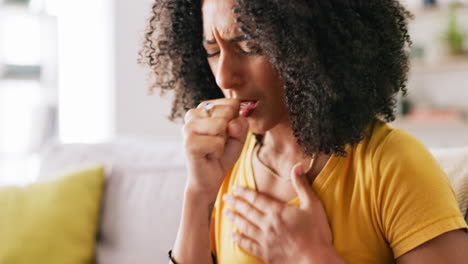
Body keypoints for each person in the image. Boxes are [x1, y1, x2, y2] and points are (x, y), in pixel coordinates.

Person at [139, 0, 468, 263]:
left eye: (251, 46)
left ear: (312, 42)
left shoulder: (393, 164)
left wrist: (312, 256)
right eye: (213, 51)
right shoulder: (227, 161)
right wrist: (197, 194)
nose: (224, 77)